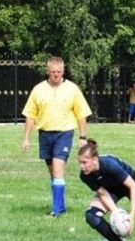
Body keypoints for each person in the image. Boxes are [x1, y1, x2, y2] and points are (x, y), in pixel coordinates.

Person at [21, 55, 92, 216]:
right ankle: (61, 205)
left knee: (58, 169)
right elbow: (30, 115)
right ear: (47, 71)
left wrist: (82, 136)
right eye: (53, 72)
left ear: (63, 71)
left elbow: (81, 113)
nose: (56, 75)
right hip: (45, 134)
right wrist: (26, 138)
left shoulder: (72, 89)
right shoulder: (38, 89)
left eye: (59, 72)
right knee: (52, 172)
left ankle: (56, 210)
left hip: (64, 133)